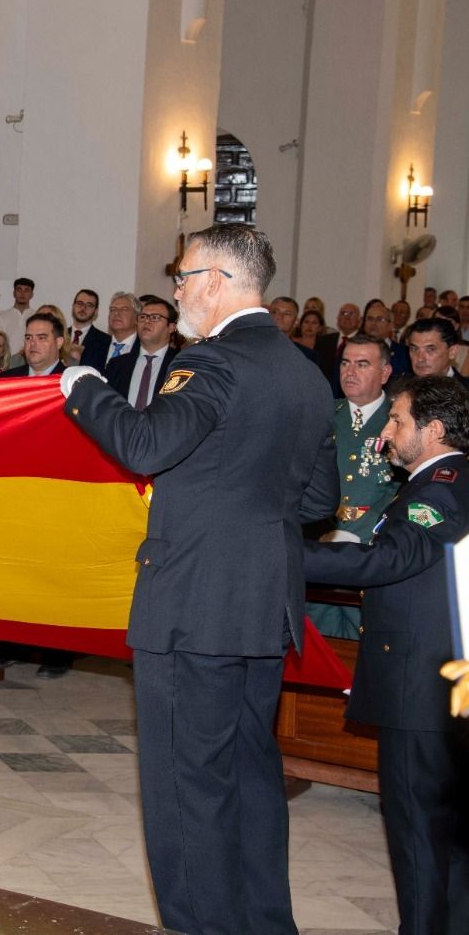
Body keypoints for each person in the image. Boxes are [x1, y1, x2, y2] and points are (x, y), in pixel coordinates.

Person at [60, 224, 333, 935]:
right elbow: (318, 498)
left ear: (215, 281)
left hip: (193, 604)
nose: (176, 290)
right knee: (249, 776)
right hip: (261, 606)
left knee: (189, 790)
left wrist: (85, 390)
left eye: (182, 277)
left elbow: (144, 443)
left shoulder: (212, 361)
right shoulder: (305, 372)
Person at [302, 376, 469, 935]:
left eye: (398, 421)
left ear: (434, 430)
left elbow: (388, 561)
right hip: (448, 682)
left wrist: (285, 554)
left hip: (420, 688)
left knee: (419, 829)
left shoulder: (438, 489)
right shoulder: (451, 481)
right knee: (447, 833)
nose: (387, 433)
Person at [307, 333, 395, 641]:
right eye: (345, 363)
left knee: (363, 643)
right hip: (320, 549)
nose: (350, 372)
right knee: (319, 644)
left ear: (385, 373)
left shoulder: (400, 420)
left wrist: (362, 535)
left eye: (362, 364)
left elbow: (405, 490)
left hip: (371, 554)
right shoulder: (323, 414)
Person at [104, 298, 179, 410]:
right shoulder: (116, 364)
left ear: (171, 327)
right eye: (143, 317)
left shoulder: (181, 364)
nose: (147, 321)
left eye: (155, 317)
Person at [0, 312, 65, 378]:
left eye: (41, 338)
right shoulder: (3, 380)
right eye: (28, 338)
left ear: (59, 342)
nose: (32, 343)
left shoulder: (69, 380)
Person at [84, 292, 137, 369]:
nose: (116, 313)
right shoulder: (93, 347)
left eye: (124, 309)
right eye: (113, 309)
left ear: (137, 318)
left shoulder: (143, 349)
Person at [0, 277, 33, 359]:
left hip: (31, 361)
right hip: (8, 362)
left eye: (26, 290)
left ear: (31, 294)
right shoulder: (2, 317)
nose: (22, 293)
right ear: (14, 293)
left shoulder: (36, 317)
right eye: (19, 290)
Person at [65, 289, 106, 364]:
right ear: (73, 306)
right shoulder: (59, 336)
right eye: (80, 303)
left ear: (96, 311)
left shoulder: (105, 341)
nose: (83, 308)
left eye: (89, 305)